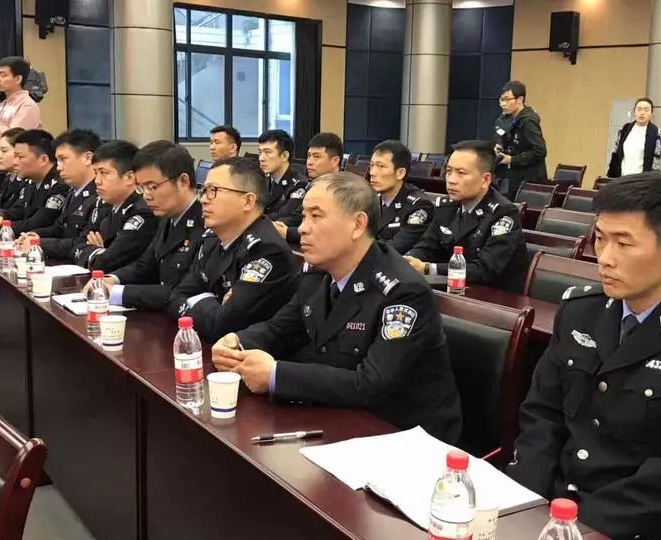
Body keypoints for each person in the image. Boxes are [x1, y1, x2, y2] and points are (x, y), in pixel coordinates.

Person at [211, 172, 462, 442]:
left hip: (403, 434)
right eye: (303, 216)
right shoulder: (317, 273)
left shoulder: (403, 291)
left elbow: (372, 384)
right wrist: (238, 343)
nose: (303, 228)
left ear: (357, 224)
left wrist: (275, 375)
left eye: (316, 216)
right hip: (341, 417)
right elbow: (280, 329)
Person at [507, 173, 661, 539]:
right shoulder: (580, 311)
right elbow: (542, 414)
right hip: (552, 508)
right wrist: (525, 505)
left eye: (624, 244)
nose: (605, 258)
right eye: (601, 239)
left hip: (635, 525)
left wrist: (584, 527)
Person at [166, 157, 298, 343]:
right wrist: (211, 302)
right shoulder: (212, 239)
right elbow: (174, 298)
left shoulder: (267, 251)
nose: (203, 199)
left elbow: (222, 326)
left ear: (248, 201)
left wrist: (197, 300)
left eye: (213, 191)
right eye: (204, 190)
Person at [404, 140, 528, 293]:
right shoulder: (446, 206)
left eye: (461, 173)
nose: (451, 180)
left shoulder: (503, 213)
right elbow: (428, 245)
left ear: (485, 179)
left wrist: (428, 268)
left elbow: (484, 270)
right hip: (452, 288)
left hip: (491, 296)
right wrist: (409, 260)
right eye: (449, 171)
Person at [100, 141, 205, 311]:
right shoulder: (168, 217)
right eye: (142, 188)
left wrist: (118, 292)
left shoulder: (205, 224)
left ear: (183, 181)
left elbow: (180, 291)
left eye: (152, 187)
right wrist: (112, 279)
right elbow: (144, 266)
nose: (146, 196)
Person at [72, 140, 159, 272]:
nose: (97, 181)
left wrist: (94, 252)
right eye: (96, 173)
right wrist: (97, 251)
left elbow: (104, 263)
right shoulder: (107, 205)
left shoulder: (142, 213)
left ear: (129, 177)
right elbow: (77, 245)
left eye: (104, 173)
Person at [16, 129, 101, 259]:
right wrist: (34, 236)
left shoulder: (100, 194)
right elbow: (59, 228)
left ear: (87, 158)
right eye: (57, 160)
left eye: (63, 159)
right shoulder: (73, 191)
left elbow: (83, 242)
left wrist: (40, 243)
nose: (59, 167)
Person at [0, 129, 69, 236]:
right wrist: (0, 215)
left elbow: (38, 223)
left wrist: (2, 226)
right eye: (15, 156)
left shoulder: (60, 184)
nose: (15, 162)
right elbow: (18, 211)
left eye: (20, 157)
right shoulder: (31, 181)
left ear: (43, 159)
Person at [273, 132, 343, 245]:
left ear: (335, 161)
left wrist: (288, 233)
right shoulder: (314, 184)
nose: (309, 162)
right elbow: (297, 215)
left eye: (316, 157)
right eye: (309, 156)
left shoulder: (344, 190)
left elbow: (327, 231)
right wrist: (275, 225)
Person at [0, 57, 42, 175]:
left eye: (3, 75)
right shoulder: (1, 105)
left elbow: (13, 139)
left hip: (15, 173)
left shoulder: (27, 105)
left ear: (18, 79)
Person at [370, 139, 433, 254]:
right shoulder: (370, 200)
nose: (372, 173)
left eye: (380, 166)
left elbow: (395, 248)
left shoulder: (419, 206)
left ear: (400, 173)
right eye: (371, 165)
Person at [493, 80, 548, 200]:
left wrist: (512, 159)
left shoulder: (528, 121)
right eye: (501, 99)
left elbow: (540, 151)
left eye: (507, 99)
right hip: (510, 177)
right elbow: (501, 138)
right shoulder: (503, 119)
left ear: (520, 100)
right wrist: (499, 147)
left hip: (529, 181)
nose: (502, 104)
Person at [607, 97, 661, 179]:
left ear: (651, 114)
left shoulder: (657, 133)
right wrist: (609, 177)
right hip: (622, 180)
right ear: (634, 112)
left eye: (646, 110)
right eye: (639, 109)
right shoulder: (624, 130)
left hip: (645, 182)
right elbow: (615, 155)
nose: (642, 113)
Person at [258, 129, 308, 225]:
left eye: (267, 152)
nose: (261, 158)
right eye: (260, 152)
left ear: (284, 156)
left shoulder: (299, 184)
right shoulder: (262, 179)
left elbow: (285, 217)